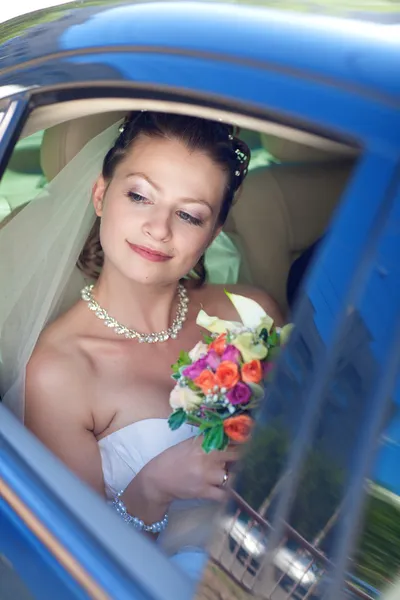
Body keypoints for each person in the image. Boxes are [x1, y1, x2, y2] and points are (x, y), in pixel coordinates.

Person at [0, 111, 284, 580]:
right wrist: (155, 485)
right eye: (139, 196)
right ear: (99, 195)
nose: (159, 228)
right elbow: (78, 574)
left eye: (189, 214)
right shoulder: (59, 372)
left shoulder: (251, 315)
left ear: (212, 233)